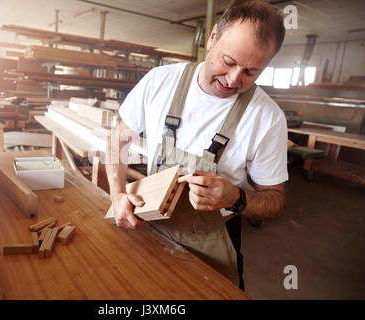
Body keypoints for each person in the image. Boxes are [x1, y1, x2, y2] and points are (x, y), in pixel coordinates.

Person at [105, 1, 288, 290]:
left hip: (213, 238)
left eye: (251, 72)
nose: (233, 80)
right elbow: (119, 138)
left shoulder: (268, 118)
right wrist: (117, 194)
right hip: (147, 222)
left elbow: (275, 200)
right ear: (213, 37)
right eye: (228, 62)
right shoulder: (160, 81)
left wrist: (235, 198)